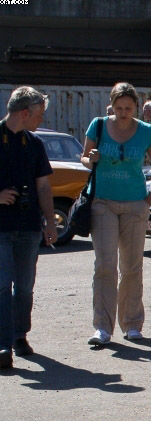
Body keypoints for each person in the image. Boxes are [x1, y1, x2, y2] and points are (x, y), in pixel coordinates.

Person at [81, 83, 151, 347]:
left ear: (136, 107)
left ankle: (131, 324)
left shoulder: (146, 131)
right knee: (105, 266)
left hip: (134, 205)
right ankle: (102, 328)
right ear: (112, 105)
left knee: (131, 267)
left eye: (128, 108)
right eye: (119, 108)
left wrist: (148, 201)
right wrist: (91, 159)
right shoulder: (98, 125)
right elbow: (84, 158)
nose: (123, 113)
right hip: (103, 202)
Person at [0, 87, 57, 370]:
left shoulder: (34, 143)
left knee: (23, 287)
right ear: (25, 112)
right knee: (1, 285)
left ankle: (19, 337)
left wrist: (49, 221)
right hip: (1, 227)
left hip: (28, 226)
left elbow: (44, 186)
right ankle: (2, 344)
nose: (40, 119)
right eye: (39, 114)